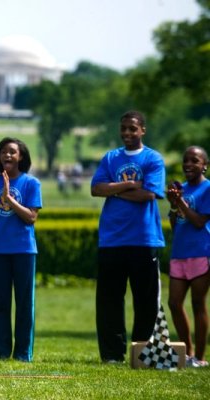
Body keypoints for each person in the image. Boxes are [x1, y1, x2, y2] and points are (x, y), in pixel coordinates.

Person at [91, 110, 165, 363]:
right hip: (111, 239)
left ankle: (143, 353)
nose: (127, 133)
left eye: (132, 129)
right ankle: (112, 354)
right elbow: (96, 188)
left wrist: (113, 190)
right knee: (109, 300)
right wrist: (128, 185)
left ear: (143, 130)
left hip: (144, 238)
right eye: (123, 128)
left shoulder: (153, 159)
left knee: (145, 301)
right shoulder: (111, 157)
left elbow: (148, 195)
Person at [0, 138, 42, 361]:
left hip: (24, 251)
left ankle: (22, 353)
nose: (7, 156)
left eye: (12, 152)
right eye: (3, 152)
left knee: (25, 303)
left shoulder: (31, 183)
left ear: (21, 157)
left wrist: (8, 198)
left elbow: (31, 217)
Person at [166, 146, 210, 368]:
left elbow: (200, 221)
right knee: (174, 303)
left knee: (197, 302)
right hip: (180, 253)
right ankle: (188, 352)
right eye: (186, 161)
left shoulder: (207, 189)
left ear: (205, 165)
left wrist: (180, 201)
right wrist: (174, 207)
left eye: (195, 161)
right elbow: (176, 225)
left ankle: (200, 358)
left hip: (202, 252)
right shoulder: (180, 189)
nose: (189, 165)